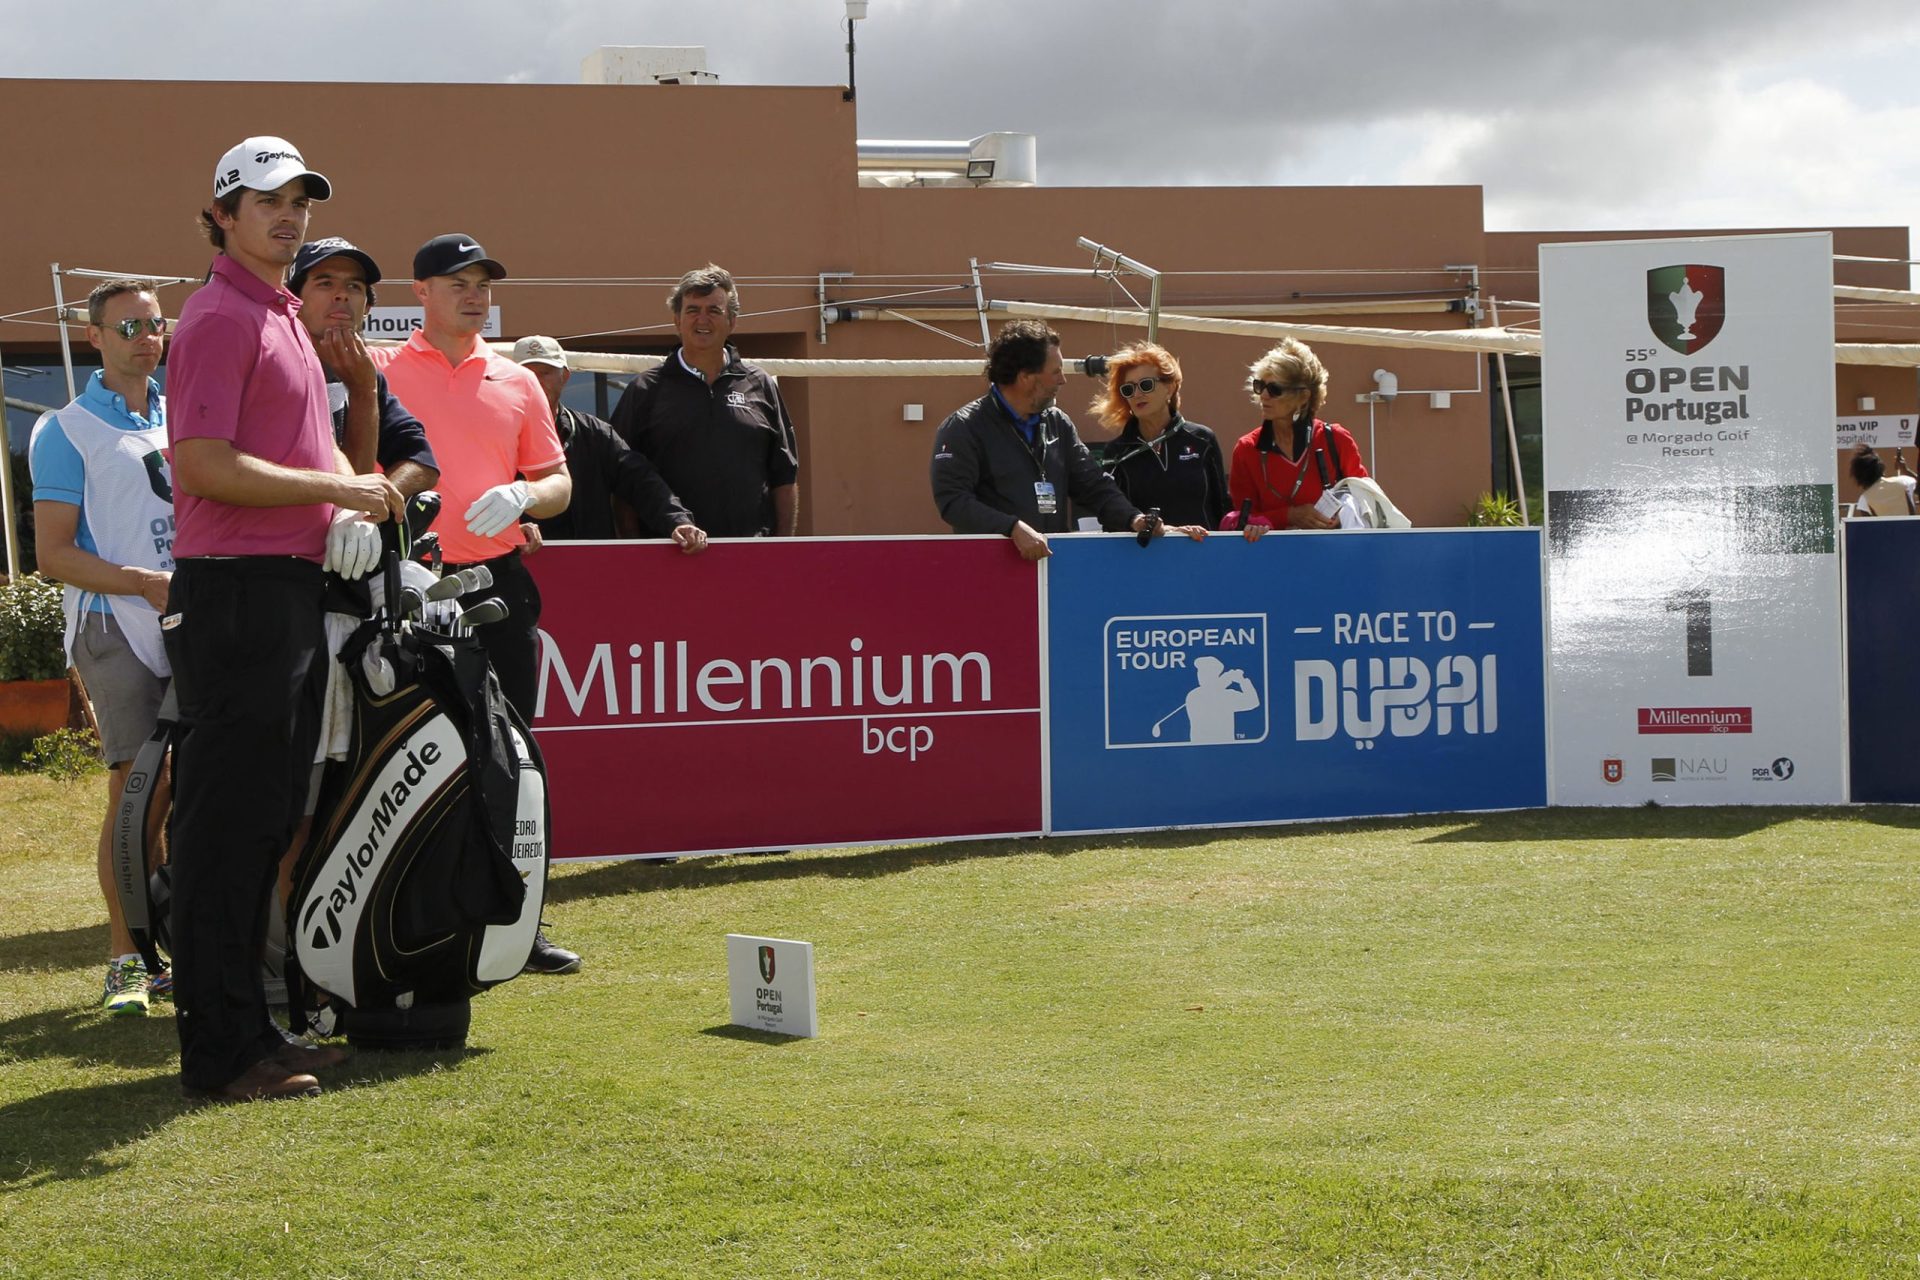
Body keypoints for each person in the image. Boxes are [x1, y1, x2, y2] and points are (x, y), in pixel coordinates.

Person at [165, 136, 405, 1102]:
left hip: (284, 593)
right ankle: (220, 1056)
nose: (288, 214)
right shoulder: (219, 315)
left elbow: (316, 460)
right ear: (221, 215)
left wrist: (356, 486)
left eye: (299, 199)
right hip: (234, 596)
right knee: (224, 834)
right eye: (266, 199)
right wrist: (336, 494)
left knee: (263, 823)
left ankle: (252, 1034)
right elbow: (203, 464)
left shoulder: (284, 317)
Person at [370, 234, 581, 976]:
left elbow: (557, 483)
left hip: (495, 582)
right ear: (420, 291)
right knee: (403, 749)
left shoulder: (516, 381)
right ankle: (408, 911)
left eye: (482, 284)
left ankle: (519, 915)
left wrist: (525, 493)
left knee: (510, 749)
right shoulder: (378, 368)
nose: (474, 295)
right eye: (457, 282)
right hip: (404, 582)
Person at [28, 279, 177, 1016]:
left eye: (153, 325)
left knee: (186, 792)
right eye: (127, 328)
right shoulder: (65, 428)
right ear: (94, 338)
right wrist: (142, 582)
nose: (144, 338)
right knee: (137, 788)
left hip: (189, 620)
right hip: (112, 621)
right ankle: (125, 959)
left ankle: (171, 949)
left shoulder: (183, 417)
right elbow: (53, 554)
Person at [930, 318, 1169, 560]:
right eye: (1055, 372)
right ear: (1025, 377)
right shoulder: (964, 427)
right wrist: (1011, 528)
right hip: (991, 570)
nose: (1063, 380)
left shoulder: (1058, 423)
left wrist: (1133, 518)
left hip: (1050, 569)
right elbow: (953, 501)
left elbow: (1093, 485)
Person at [609, 265, 799, 538]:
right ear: (677, 320)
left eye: (714, 310)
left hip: (750, 554)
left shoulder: (761, 385)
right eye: (693, 310)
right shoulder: (644, 390)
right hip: (670, 555)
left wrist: (783, 547)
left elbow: (784, 475)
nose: (703, 319)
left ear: (732, 321)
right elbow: (623, 478)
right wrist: (635, 551)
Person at [510, 335, 707, 550]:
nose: (536, 382)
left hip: (593, 567)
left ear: (565, 377)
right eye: (528, 374)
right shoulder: (495, 437)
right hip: (521, 567)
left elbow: (641, 481)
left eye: (545, 373)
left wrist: (677, 521)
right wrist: (511, 530)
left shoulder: (595, 434)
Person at [1226, 337, 1369, 540]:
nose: (1264, 396)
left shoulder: (1336, 440)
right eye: (1260, 386)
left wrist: (1344, 516)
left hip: (1334, 555)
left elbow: (1365, 501)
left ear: (1304, 396)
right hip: (1272, 559)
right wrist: (1289, 516)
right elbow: (1240, 519)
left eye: (1275, 389)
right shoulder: (1247, 449)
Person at [1092, 342, 1228, 532]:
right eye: (1128, 389)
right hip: (1143, 556)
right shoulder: (1117, 451)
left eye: (1146, 385)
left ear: (1170, 387)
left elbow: (1223, 508)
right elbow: (1111, 515)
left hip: (1201, 553)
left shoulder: (1202, 439)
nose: (1137, 394)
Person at [1850, 442, 1916, 517]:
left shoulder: (1864, 499)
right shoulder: (1905, 482)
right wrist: (1906, 470)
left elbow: (1869, 526)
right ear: (1881, 468)